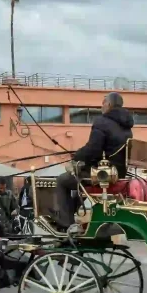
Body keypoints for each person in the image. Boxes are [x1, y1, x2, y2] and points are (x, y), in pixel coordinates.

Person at [53, 92, 134, 230]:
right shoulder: (127, 129)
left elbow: (93, 149)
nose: (101, 106)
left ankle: (65, 224)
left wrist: (77, 156)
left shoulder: (102, 122)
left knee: (62, 180)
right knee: (79, 182)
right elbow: (104, 150)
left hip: (103, 175)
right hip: (118, 173)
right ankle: (71, 215)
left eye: (103, 103)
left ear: (108, 104)